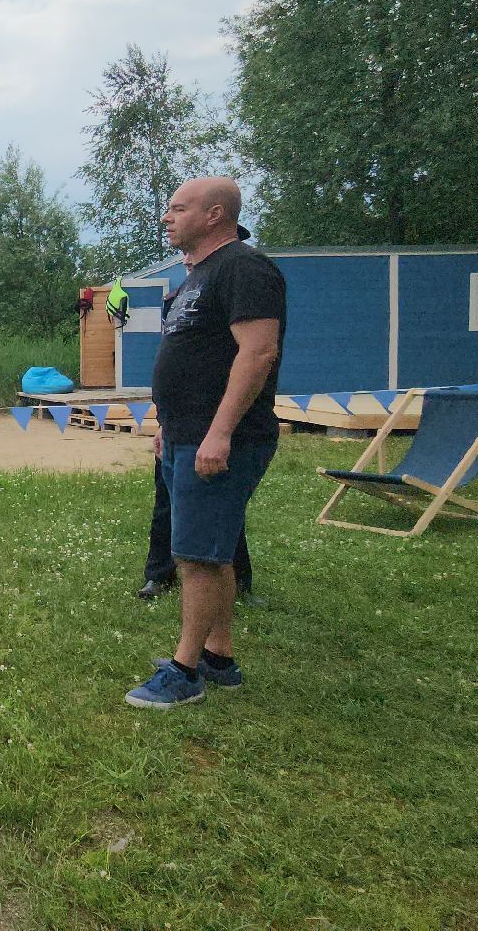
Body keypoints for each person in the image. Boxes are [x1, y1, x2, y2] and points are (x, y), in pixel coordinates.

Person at [125, 178, 284, 709]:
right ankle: (219, 657)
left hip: (221, 439)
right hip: (186, 434)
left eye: (178, 207)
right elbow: (196, 356)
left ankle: (186, 672)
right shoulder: (197, 276)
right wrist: (170, 424)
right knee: (210, 552)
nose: (166, 217)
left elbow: (257, 354)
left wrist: (218, 433)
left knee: (196, 557)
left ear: (215, 215)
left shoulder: (245, 267)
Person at [138, 456, 254, 599]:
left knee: (225, 507)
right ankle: (159, 576)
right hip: (178, 439)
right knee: (167, 503)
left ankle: (238, 581)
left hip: (217, 442)